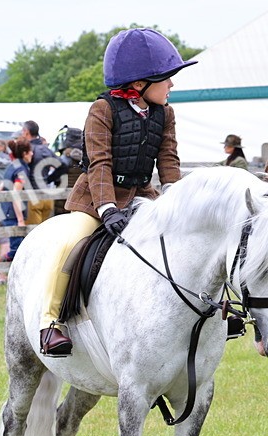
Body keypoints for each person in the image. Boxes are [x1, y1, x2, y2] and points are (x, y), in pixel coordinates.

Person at [40, 28, 196, 357]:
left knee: (189, 239)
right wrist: (107, 208)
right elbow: (99, 163)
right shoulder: (102, 109)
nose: (172, 85)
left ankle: (205, 312)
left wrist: (178, 202)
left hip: (142, 195)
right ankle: (51, 321)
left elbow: (168, 160)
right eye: (166, 78)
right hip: (96, 197)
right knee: (71, 244)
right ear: (140, 83)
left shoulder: (165, 113)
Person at [16, 121, 56, 225]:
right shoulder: (47, 150)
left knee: (33, 234)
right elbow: (63, 166)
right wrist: (48, 179)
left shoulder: (26, 150)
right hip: (47, 195)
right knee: (46, 232)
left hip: (32, 196)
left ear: (26, 132)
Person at [1, 139, 33, 260]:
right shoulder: (21, 170)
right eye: (30, 152)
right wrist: (20, 219)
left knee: (17, 249)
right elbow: (16, 194)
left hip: (7, 211)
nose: (32, 154)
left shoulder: (12, 165)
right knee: (16, 251)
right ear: (25, 153)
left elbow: (1, 188)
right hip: (13, 215)